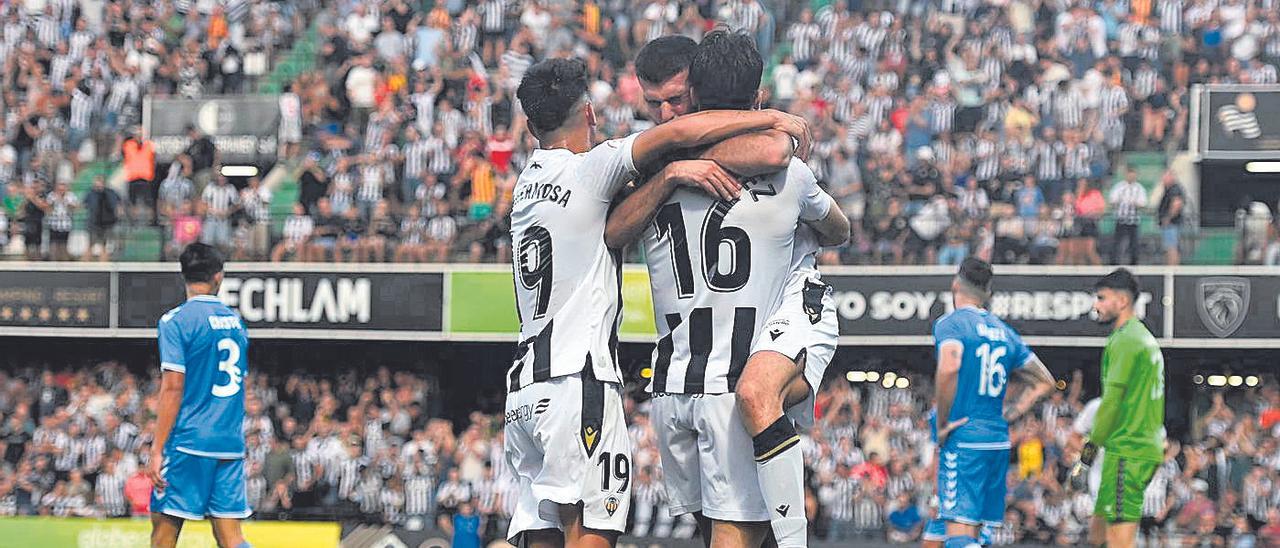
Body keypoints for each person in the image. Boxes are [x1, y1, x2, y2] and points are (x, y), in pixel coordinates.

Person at [504, 56, 805, 548]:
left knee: (543, 535)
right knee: (593, 534)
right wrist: (769, 117)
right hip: (576, 379)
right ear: (589, 115)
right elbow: (675, 136)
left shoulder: (525, 187)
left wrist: (667, 178)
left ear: (532, 124)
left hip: (522, 393)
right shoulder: (591, 168)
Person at [606, 31, 841, 548]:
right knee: (717, 528)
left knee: (725, 528)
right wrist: (674, 169)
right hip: (689, 381)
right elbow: (781, 150)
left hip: (710, 378)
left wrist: (672, 168)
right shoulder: (654, 161)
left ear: (699, 92)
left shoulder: (659, 162)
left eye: (676, 100)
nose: (667, 116)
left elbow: (776, 148)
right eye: (655, 104)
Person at [933, 258, 1056, 548]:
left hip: (964, 438)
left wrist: (942, 424)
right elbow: (1045, 381)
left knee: (958, 532)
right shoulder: (1005, 332)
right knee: (976, 530)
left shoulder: (951, 324)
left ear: (955, 284)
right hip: (998, 440)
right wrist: (1012, 412)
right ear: (988, 292)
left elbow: (949, 366)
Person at [148, 243, 252, 548]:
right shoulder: (236, 324)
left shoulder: (176, 321)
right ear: (218, 277)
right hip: (229, 444)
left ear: (183, 275)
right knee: (231, 538)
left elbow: (173, 386)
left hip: (188, 442)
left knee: (164, 534)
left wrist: (157, 450)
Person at [1070, 269, 1166, 548]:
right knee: (1097, 534)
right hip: (1139, 448)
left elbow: (1111, 404)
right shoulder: (1142, 337)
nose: (1095, 305)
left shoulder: (1125, 340)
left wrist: (1086, 456)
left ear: (1122, 301)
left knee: (1119, 542)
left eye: (1101, 298)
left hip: (1128, 451)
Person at [1108, 169, 1147, 265]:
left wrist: (1134, 203)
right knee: (1117, 243)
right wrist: (1120, 201)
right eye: (1129, 175)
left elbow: (1143, 203)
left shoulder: (1139, 188)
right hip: (1121, 219)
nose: (1131, 177)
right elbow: (1112, 201)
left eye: (1133, 175)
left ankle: (1134, 263)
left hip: (1133, 220)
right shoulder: (1119, 187)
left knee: (1134, 244)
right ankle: (1114, 263)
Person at [84, 175, 121, 261]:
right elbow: (85, 205)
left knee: (105, 245)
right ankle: (85, 264)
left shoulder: (111, 193)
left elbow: (118, 204)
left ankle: (103, 263)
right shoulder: (91, 193)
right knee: (91, 244)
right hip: (94, 223)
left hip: (107, 223)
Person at [1156, 171, 1185, 265]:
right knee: (1170, 246)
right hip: (1170, 223)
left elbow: (1176, 204)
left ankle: (1172, 269)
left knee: (1171, 247)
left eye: (1165, 178)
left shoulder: (1174, 189)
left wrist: (1168, 218)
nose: (1163, 180)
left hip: (1171, 223)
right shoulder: (1168, 189)